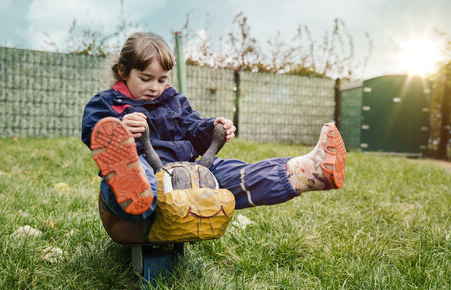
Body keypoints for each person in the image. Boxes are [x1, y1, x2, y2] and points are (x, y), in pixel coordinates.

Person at [81, 32, 346, 241]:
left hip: (186, 173)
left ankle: (306, 171)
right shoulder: (108, 102)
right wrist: (120, 128)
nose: (155, 87)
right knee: (139, 173)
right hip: (142, 166)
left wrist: (212, 128)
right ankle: (135, 192)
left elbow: (193, 129)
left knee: (232, 172)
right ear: (122, 72)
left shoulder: (174, 100)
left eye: (162, 80)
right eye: (146, 78)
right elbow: (92, 130)